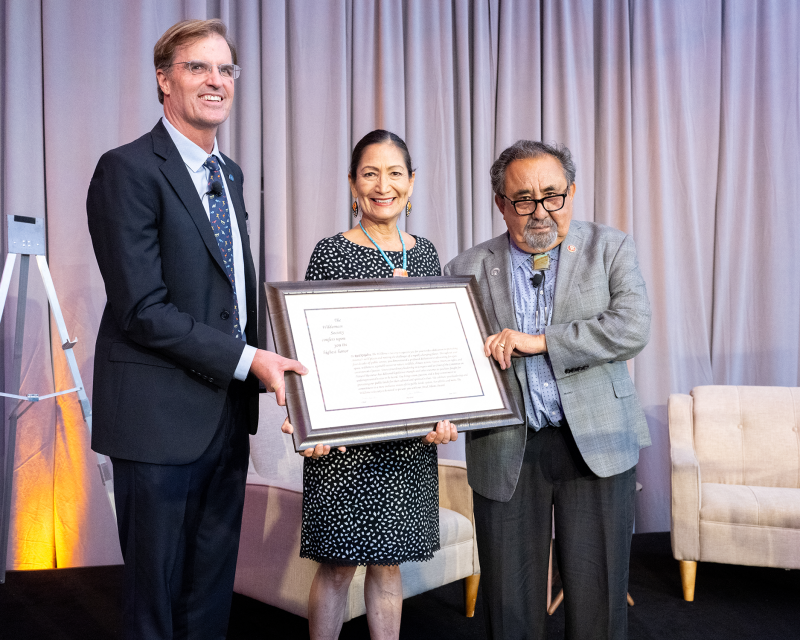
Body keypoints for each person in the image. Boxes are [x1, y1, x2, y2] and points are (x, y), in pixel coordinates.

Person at [86, 19, 308, 639]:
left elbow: (226, 295)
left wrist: (272, 368)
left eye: (226, 70)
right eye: (197, 68)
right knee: (154, 595)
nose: (216, 81)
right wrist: (250, 360)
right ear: (164, 79)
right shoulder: (126, 170)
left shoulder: (229, 174)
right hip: (157, 419)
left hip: (224, 415)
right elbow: (142, 308)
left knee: (211, 586)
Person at [444, 140, 651, 640]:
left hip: (597, 443)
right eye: (523, 200)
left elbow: (631, 328)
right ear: (500, 203)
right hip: (506, 449)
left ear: (572, 193)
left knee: (599, 604)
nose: (540, 212)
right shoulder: (464, 268)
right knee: (508, 605)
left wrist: (539, 342)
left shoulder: (610, 246)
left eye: (553, 196)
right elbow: (452, 361)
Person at [296, 129, 458, 640]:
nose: (382, 185)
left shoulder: (428, 254)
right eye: (370, 173)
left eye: (394, 174)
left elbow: (439, 349)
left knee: (390, 567)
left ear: (411, 183)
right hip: (345, 443)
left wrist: (445, 412)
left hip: (408, 444)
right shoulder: (330, 253)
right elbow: (311, 347)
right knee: (339, 566)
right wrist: (309, 421)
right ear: (352, 184)